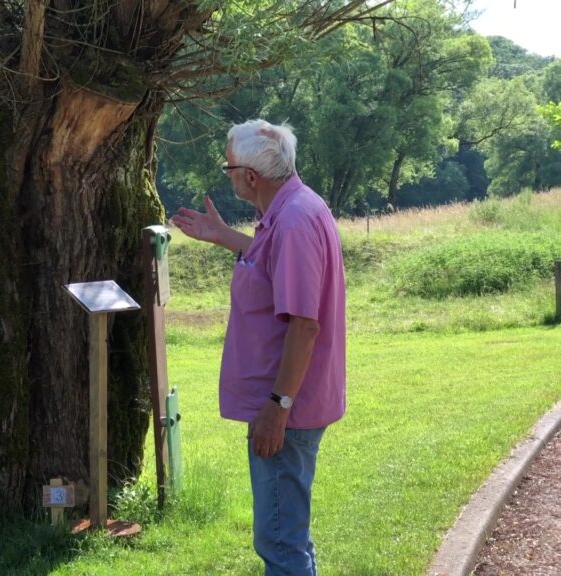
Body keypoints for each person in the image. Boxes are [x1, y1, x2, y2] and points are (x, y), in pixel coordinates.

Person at [171, 119, 346, 575]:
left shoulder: (292, 221)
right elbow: (273, 266)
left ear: (250, 176)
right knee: (287, 534)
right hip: (287, 403)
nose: (226, 175)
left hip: (287, 408)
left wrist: (277, 406)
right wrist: (223, 236)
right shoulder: (294, 210)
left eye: (229, 167)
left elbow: (305, 325)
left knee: (280, 543)